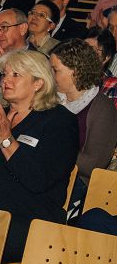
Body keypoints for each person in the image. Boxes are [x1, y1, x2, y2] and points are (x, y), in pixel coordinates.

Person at [0, 49, 78, 261]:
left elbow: (38, 180)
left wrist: (5, 139)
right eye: (4, 74)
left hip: (27, 218)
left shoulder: (59, 122)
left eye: (16, 75)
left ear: (38, 83)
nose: (6, 80)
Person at [50, 39, 117, 201]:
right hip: (46, 171)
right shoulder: (50, 99)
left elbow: (93, 164)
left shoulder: (102, 108)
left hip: (76, 182)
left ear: (75, 71)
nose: (50, 75)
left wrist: (50, 148)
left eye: (55, 70)